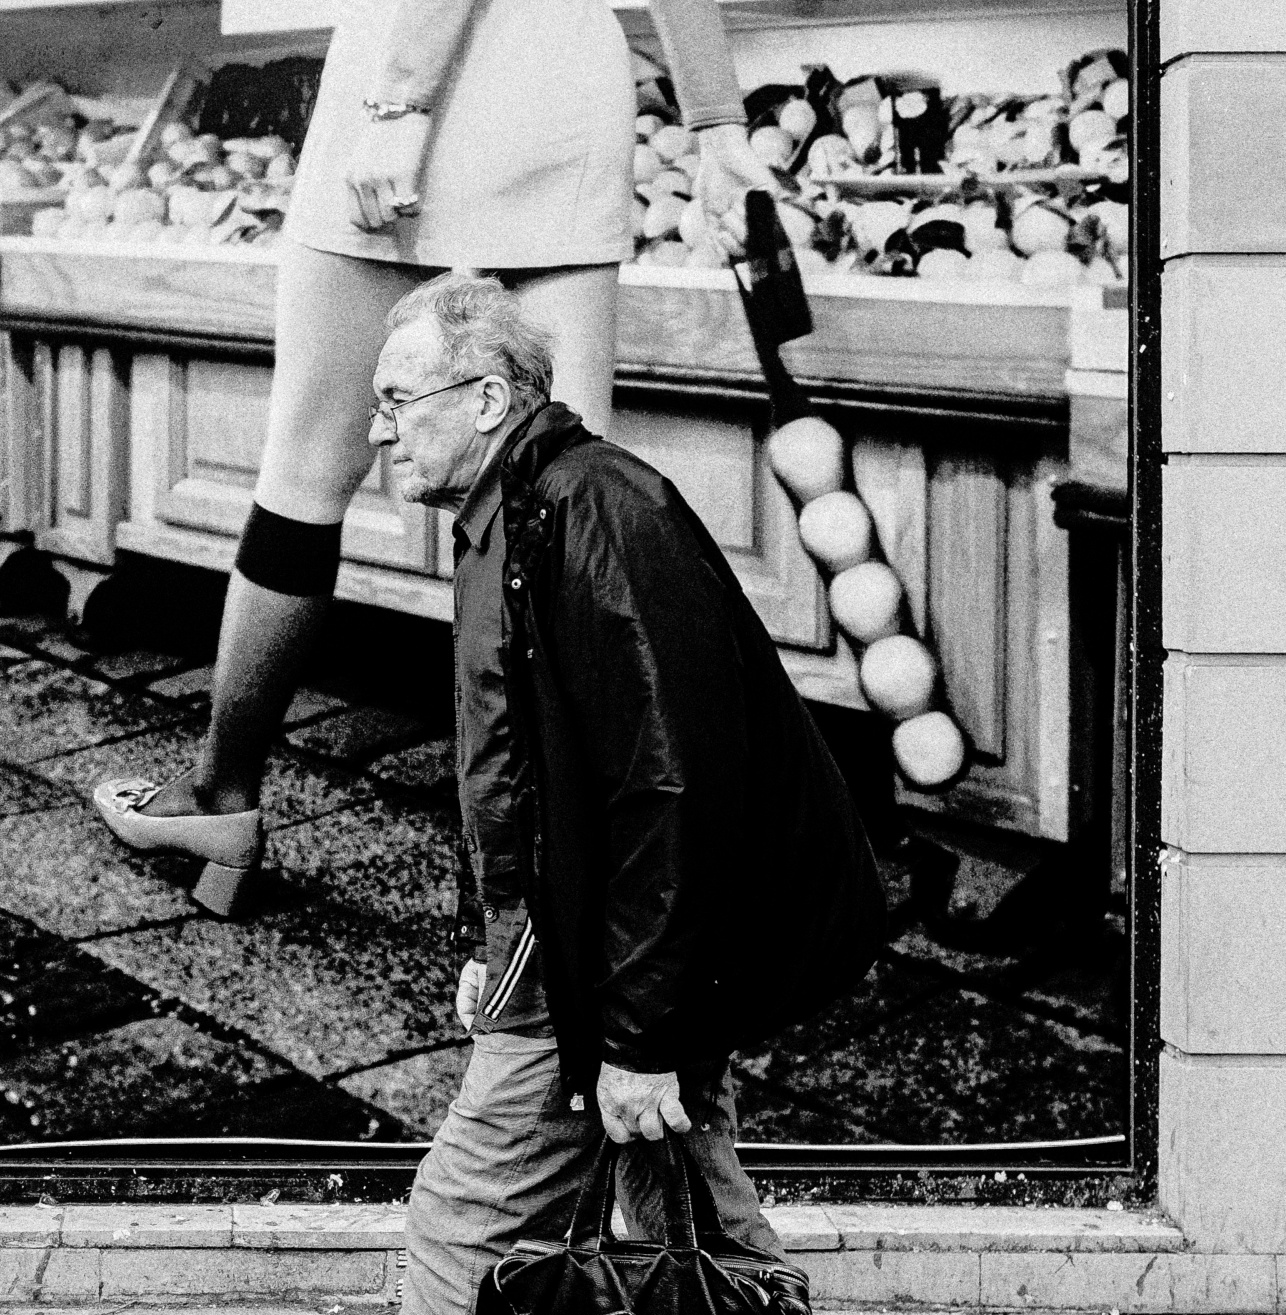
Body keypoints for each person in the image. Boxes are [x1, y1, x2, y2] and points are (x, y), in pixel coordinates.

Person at [136, 275, 899, 1315]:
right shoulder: (512, 511)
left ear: (487, 398)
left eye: (399, 402)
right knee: (711, 1233)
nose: (378, 431)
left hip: (628, 968)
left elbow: (667, 785)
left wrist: (642, 1035)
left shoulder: (593, 511)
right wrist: (496, 946)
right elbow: (525, 768)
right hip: (595, 953)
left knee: (468, 1214)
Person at [92, 0, 782, 917]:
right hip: (564, 94)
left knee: (304, 474)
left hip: (416, 89)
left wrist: (399, 104)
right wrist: (718, 124)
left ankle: (222, 798)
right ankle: (550, 905)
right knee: (556, 503)